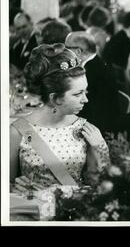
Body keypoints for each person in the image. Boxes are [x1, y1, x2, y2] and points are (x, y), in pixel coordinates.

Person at [10, 44, 110, 192]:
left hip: (75, 210)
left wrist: (100, 148)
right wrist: (15, 187)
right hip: (35, 210)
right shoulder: (17, 131)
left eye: (85, 91)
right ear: (55, 98)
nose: (85, 100)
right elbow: (7, 186)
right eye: (77, 94)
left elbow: (101, 186)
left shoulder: (87, 130)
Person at [65, 32, 120, 134]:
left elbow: (91, 107)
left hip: (97, 127)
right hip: (91, 116)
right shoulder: (92, 64)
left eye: (66, 48)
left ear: (78, 51)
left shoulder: (94, 71)